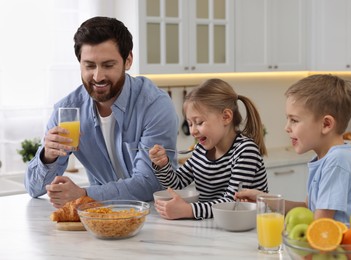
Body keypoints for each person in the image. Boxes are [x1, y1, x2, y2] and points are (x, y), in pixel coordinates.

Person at [24, 16, 178, 208]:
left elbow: (149, 184)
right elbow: (34, 188)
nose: (98, 76)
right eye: (89, 66)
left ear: (128, 60)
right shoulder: (68, 111)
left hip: (157, 219)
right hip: (101, 218)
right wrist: (48, 156)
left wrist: (84, 194)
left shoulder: (155, 106)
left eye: (108, 65)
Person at [236, 74, 351, 224]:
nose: (286, 127)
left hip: (338, 246)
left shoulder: (337, 161)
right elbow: (307, 209)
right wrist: (264, 198)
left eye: (294, 120)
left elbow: (320, 224)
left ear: (326, 124)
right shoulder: (324, 159)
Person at [149, 78, 268, 220]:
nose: (193, 131)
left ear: (226, 117)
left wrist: (189, 210)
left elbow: (231, 203)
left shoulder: (245, 151)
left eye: (199, 122)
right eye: (190, 123)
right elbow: (177, 183)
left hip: (247, 228)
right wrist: (162, 165)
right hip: (214, 224)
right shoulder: (200, 150)